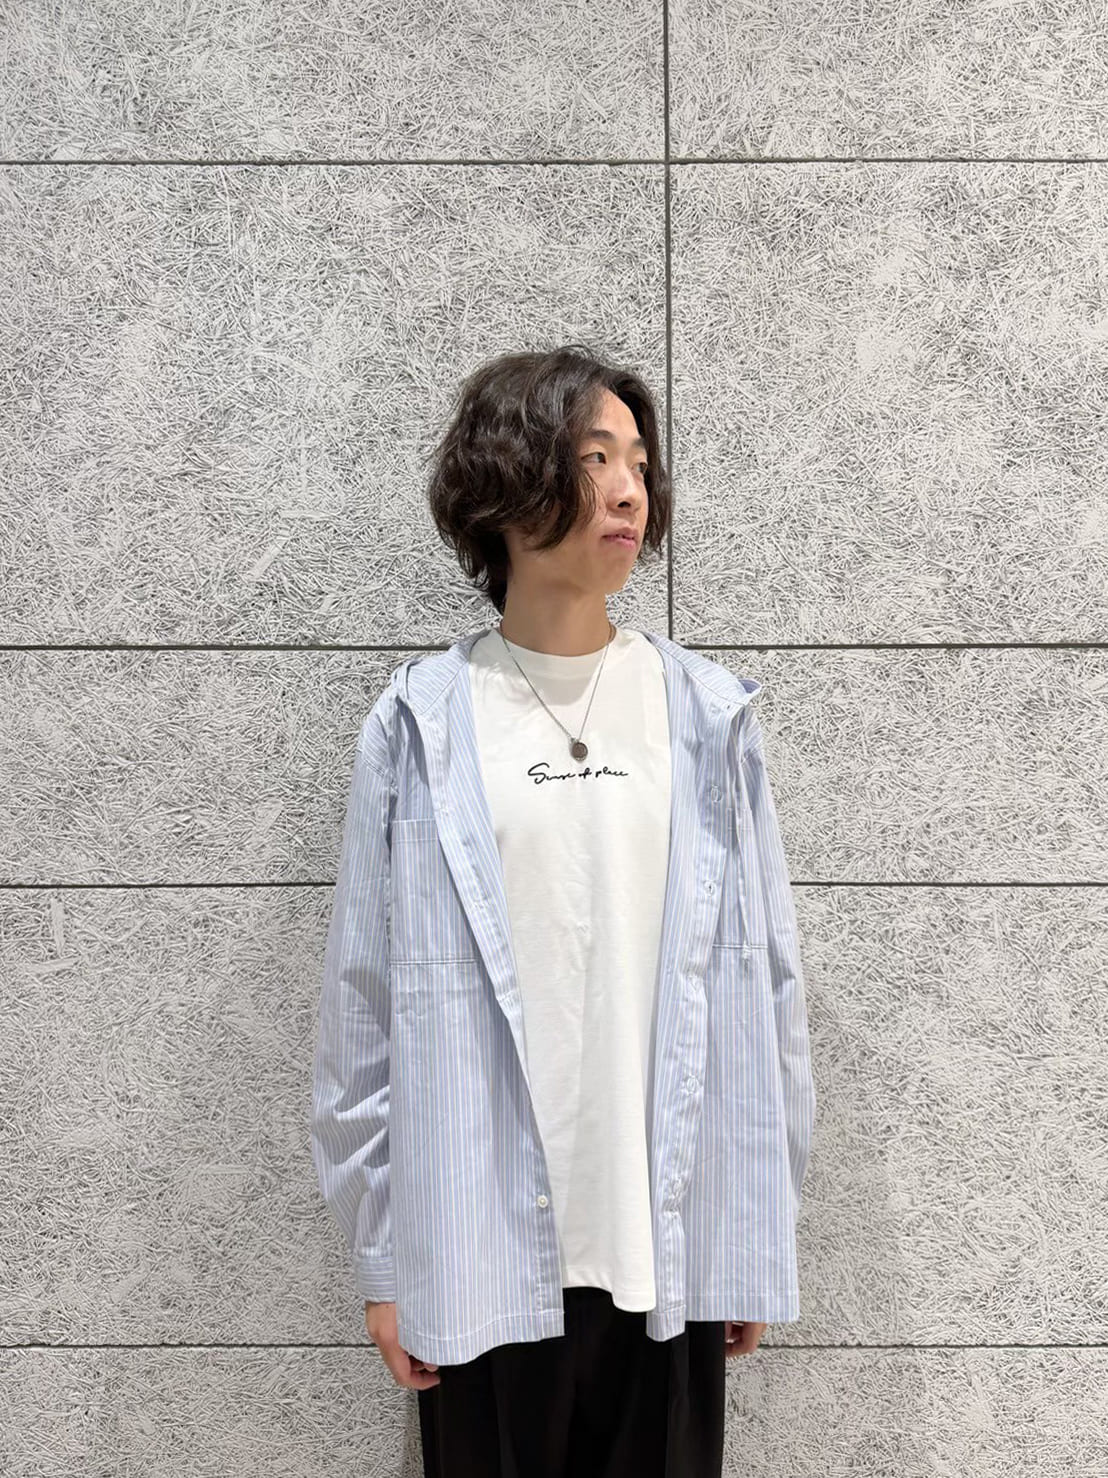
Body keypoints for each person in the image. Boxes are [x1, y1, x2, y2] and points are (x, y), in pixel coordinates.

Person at [310, 343, 816, 1477]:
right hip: (478, 1251)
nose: (630, 490)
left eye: (637, 461)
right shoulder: (422, 724)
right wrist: (384, 1259)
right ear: (507, 480)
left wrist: (751, 1228)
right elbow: (364, 1004)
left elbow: (764, 978)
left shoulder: (706, 716)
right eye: (594, 459)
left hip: (668, 1246)